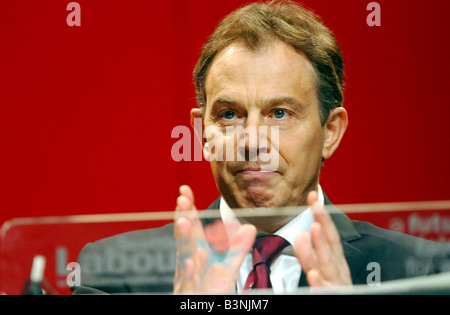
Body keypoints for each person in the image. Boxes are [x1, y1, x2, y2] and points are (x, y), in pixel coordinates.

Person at [72, 0, 449, 295]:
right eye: (231, 114)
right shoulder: (116, 273)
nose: (252, 141)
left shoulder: (422, 273)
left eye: (280, 113)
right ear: (203, 133)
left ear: (330, 131)